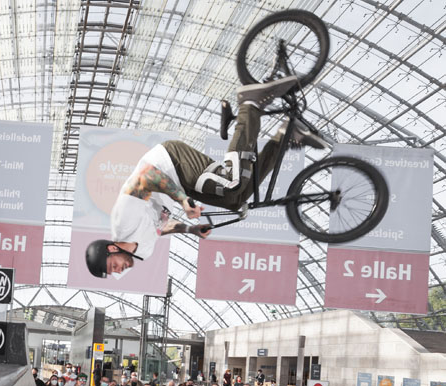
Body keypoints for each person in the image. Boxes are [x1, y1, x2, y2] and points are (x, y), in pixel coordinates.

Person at [83, 73, 328, 277]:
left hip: (170, 162)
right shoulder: (142, 252)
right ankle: (285, 135)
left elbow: (146, 176)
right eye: (115, 272)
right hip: (180, 183)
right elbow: (160, 229)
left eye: (114, 266)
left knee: (231, 182)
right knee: (236, 199)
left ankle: (249, 105)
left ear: (112, 248)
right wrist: (189, 230)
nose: (120, 270)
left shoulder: (122, 220)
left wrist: (183, 201)